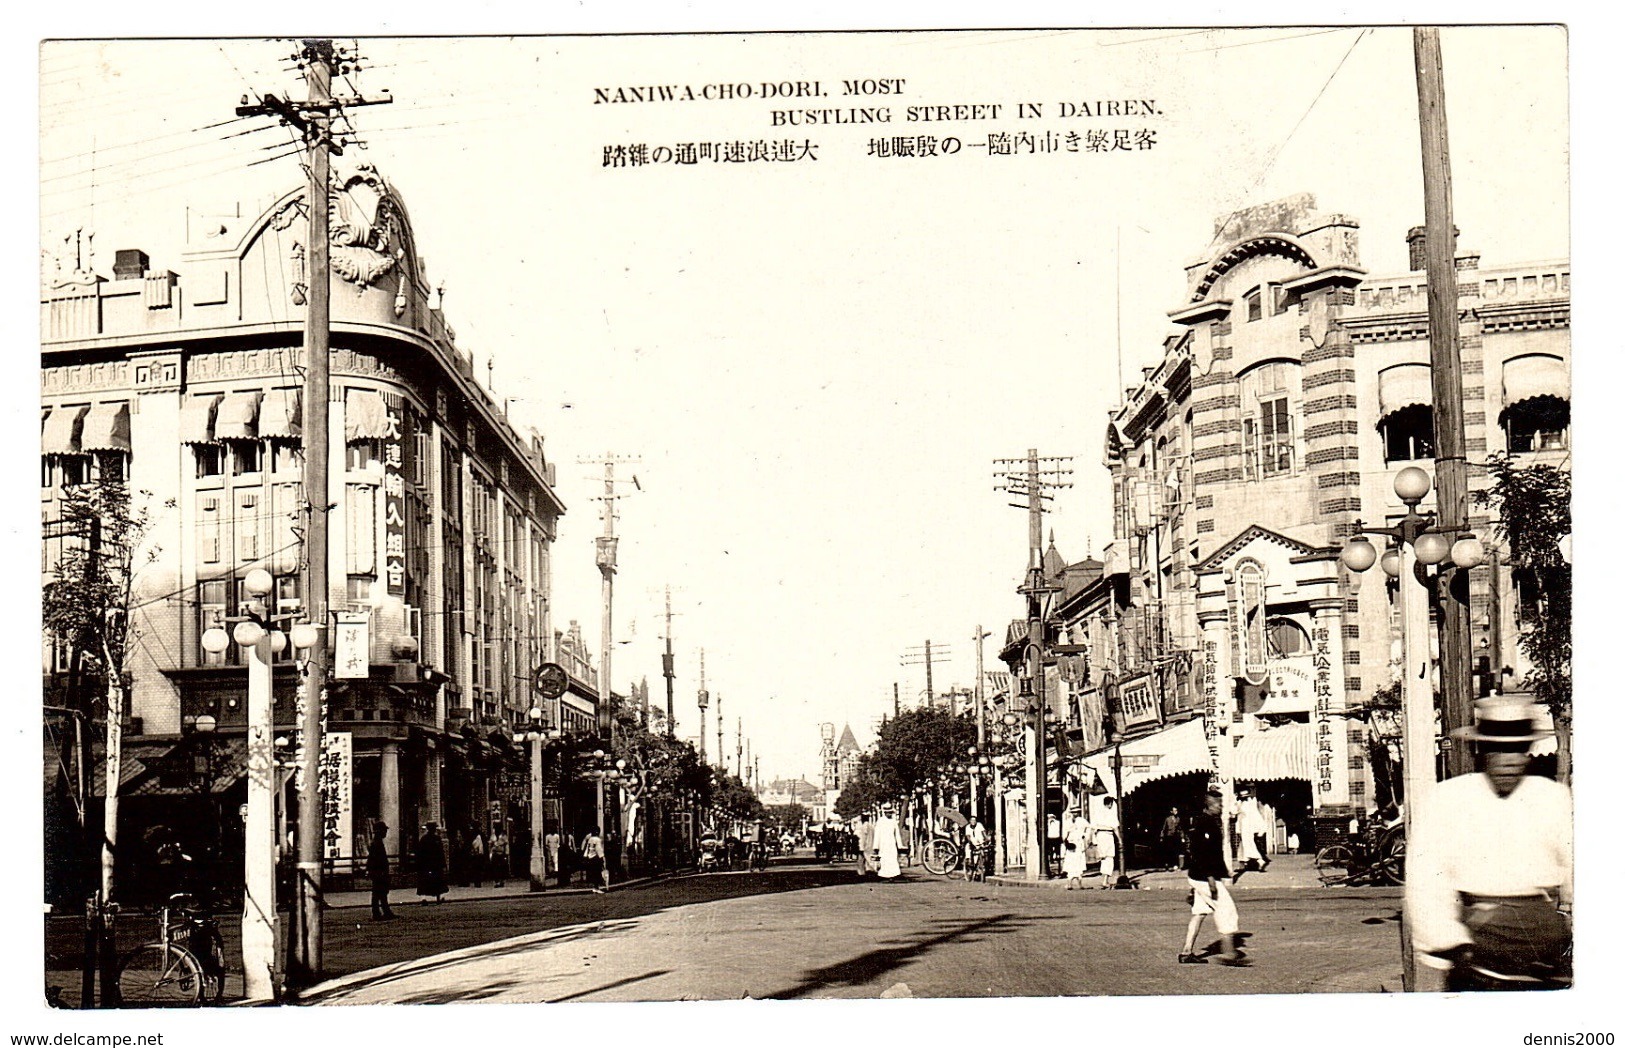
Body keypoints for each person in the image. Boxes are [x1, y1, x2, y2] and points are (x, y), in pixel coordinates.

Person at [1408, 696, 1572, 990]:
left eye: (1518, 749)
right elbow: (1426, 878)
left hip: (1546, 950)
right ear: (1480, 750)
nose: (1509, 760)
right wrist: (1452, 943)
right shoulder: (1448, 799)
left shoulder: (1552, 797)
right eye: (1498, 748)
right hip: (1478, 951)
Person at [1179, 790, 1245, 965]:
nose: (1221, 807)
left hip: (1197, 877)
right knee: (1226, 909)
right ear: (1209, 805)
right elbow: (1203, 854)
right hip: (1205, 878)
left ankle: (1186, 952)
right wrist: (1211, 880)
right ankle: (1229, 953)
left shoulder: (1203, 822)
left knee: (1199, 913)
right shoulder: (1206, 824)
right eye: (1218, 804)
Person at [1235, 788, 1269, 874]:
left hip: (1247, 827)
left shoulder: (1247, 804)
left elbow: (1236, 811)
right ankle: (1241, 865)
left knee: (1248, 845)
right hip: (1243, 826)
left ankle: (1260, 861)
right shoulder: (1243, 803)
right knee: (1242, 846)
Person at [367, 822, 396, 920]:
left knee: (381, 893)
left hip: (378, 871)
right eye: (384, 830)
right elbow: (375, 859)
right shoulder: (377, 843)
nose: (386, 832)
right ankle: (378, 913)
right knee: (378, 893)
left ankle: (384, 912)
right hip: (379, 872)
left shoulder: (377, 842)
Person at [414, 823, 448, 903]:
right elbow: (440, 852)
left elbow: (420, 852)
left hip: (429, 864)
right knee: (435, 880)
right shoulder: (435, 839)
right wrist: (443, 864)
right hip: (433, 864)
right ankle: (436, 897)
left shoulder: (425, 839)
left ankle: (425, 898)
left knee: (428, 881)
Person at [1091, 796, 1121, 889]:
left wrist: (1094, 839)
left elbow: (1093, 827)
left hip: (1100, 835)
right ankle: (1105, 880)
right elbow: (1116, 828)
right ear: (1110, 804)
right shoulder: (1111, 814)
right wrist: (1120, 839)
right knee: (1109, 857)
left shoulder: (1098, 813)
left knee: (1103, 857)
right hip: (1108, 835)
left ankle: (1104, 879)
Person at [873, 803, 902, 880]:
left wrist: (899, 844)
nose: (889, 814)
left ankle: (893, 875)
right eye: (887, 812)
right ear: (885, 813)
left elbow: (897, 834)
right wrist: (876, 846)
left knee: (892, 858)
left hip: (892, 843)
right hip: (883, 843)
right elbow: (877, 834)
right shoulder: (880, 821)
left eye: (890, 812)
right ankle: (885, 875)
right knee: (884, 859)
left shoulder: (893, 821)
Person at [1062, 810, 1090, 889]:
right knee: (1070, 863)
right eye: (1073, 812)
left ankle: (1079, 884)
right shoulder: (1068, 822)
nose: (1075, 814)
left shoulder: (1082, 821)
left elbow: (1089, 828)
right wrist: (1066, 844)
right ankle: (1069, 883)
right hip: (1071, 844)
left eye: (1076, 812)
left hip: (1079, 843)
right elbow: (1065, 835)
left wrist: (1086, 837)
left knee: (1078, 863)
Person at [581, 826, 607, 893]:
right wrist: (602, 857)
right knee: (597, 872)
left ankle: (595, 887)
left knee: (594, 873)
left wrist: (585, 856)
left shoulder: (590, 839)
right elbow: (598, 849)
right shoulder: (597, 839)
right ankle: (596, 887)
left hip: (590, 857)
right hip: (596, 857)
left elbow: (587, 847)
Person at [965, 816, 989, 881]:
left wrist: (987, 839)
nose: (973, 822)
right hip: (972, 843)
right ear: (970, 821)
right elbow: (968, 837)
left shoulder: (979, 825)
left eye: (974, 820)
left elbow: (983, 833)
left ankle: (982, 869)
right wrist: (971, 843)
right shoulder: (967, 827)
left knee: (984, 854)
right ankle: (969, 867)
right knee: (968, 851)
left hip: (980, 843)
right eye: (972, 820)